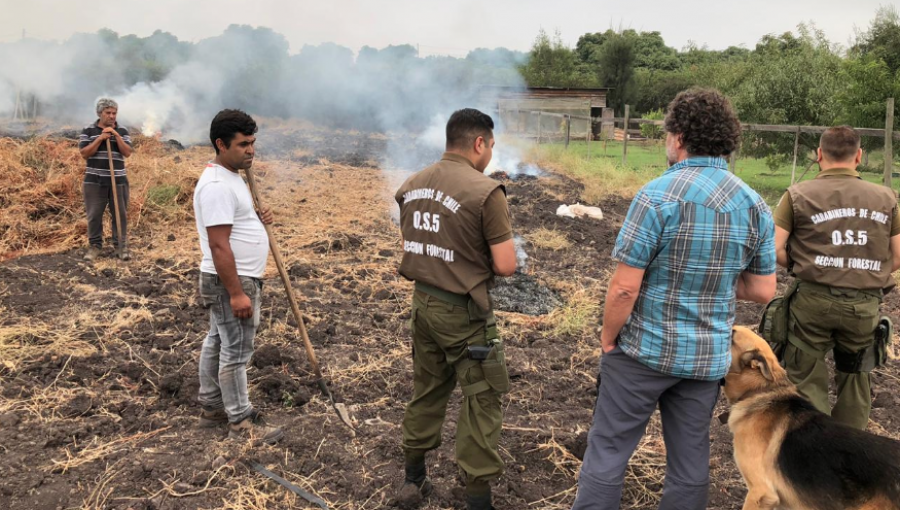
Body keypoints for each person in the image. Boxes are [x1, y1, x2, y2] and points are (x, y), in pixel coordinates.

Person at [572, 89, 777, 510]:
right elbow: (762, 289)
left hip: (643, 352)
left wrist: (609, 338)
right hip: (704, 362)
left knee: (609, 450)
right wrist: (715, 279)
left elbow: (625, 288)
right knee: (689, 464)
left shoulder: (656, 195)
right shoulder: (755, 205)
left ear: (679, 137)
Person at [393, 108, 517, 510]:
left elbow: (419, 241)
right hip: (463, 315)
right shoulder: (486, 191)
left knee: (427, 390)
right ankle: (478, 499)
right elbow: (505, 265)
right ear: (479, 143)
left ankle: (415, 479)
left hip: (422, 304)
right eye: (491, 146)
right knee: (482, 397)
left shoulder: (412, 184)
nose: (491, 156)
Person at [773, 126, 900, 430]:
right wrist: (868, 271)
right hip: (864, 306)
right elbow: (897, 256)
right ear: (859, 156)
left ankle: (814, 450)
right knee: (856, 380)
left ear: (819, 155)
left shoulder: (797, 194)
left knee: (804, 376)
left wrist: (799, 264)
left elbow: (774, 247)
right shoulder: (886, 197)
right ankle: (848, 453)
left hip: (811, 303)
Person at [193, 109, 283, 444]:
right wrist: (236, 293)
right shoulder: (217, 185)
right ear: (221, 144)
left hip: (235, 278)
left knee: (218, 340)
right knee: (236, 351)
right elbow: (219, 246)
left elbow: (233, 225)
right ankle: (241, 421)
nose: (251, 150)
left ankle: (213, 406)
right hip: (232, 280)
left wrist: (257, 218)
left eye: (253, 143)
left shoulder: (233, 176)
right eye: (243, 144)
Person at [79, 98, 133, 261]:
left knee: (120, 215)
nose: (112, 116)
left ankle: (120, 247)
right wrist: (100, 139)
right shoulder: (88, 130)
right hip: (95, 181)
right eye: (108, 113)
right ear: (99, 113)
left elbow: (127, 152)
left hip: (118, 180)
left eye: (114, 113)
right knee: (94, 215)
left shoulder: (122, 130)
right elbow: (84, 153)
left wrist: (116, 136)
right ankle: (95, 247)